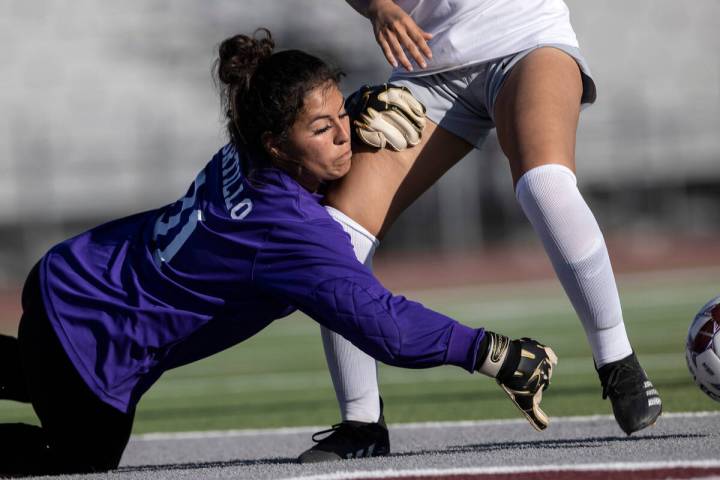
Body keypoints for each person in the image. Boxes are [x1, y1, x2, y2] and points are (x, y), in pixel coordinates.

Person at [0, 29, 558, 475]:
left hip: (69, 277)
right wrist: (494, 353)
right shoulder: (288, 228)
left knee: (34, 372)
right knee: (77, 463)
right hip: (94, 348)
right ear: (277, 143)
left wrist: (354, 107)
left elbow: (296, 167)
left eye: (343, 113)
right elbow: (386, 328)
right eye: (322, 128)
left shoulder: (246, 146)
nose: (345, 135)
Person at [299, 0, 663, 462]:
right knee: (335, 234)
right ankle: (362, 422)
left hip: (525, 40)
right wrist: (378, 8)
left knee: (545, 185)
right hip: (425, 64)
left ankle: (617, 361)